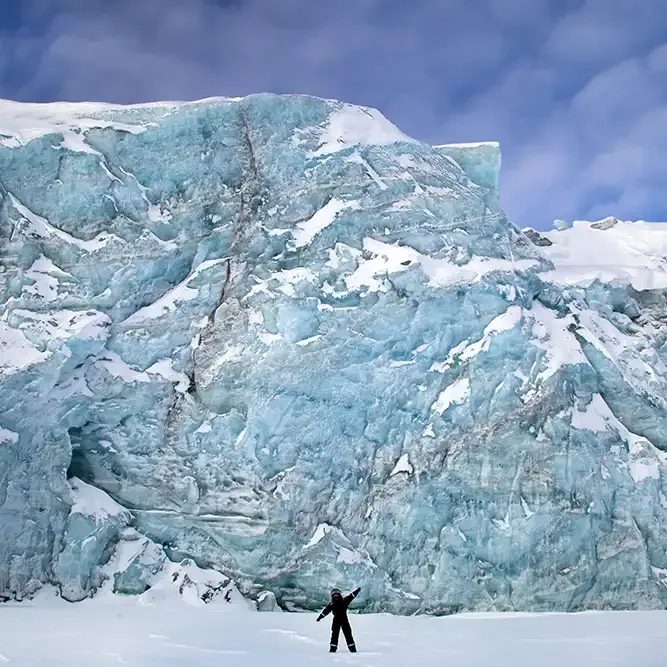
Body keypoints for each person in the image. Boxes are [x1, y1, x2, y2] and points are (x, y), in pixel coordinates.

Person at [316, 586, 361, 653]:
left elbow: (325, 611)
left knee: (339, 634)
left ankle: (334, 650)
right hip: (342, 620)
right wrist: (320, 617)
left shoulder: (335, 603)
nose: (336, 595)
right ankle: (351, 650)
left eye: (336, 594)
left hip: (338, 620)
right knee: (344, 634)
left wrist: (320, 617)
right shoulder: (342, 601)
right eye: (335, 594)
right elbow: (352, 596)